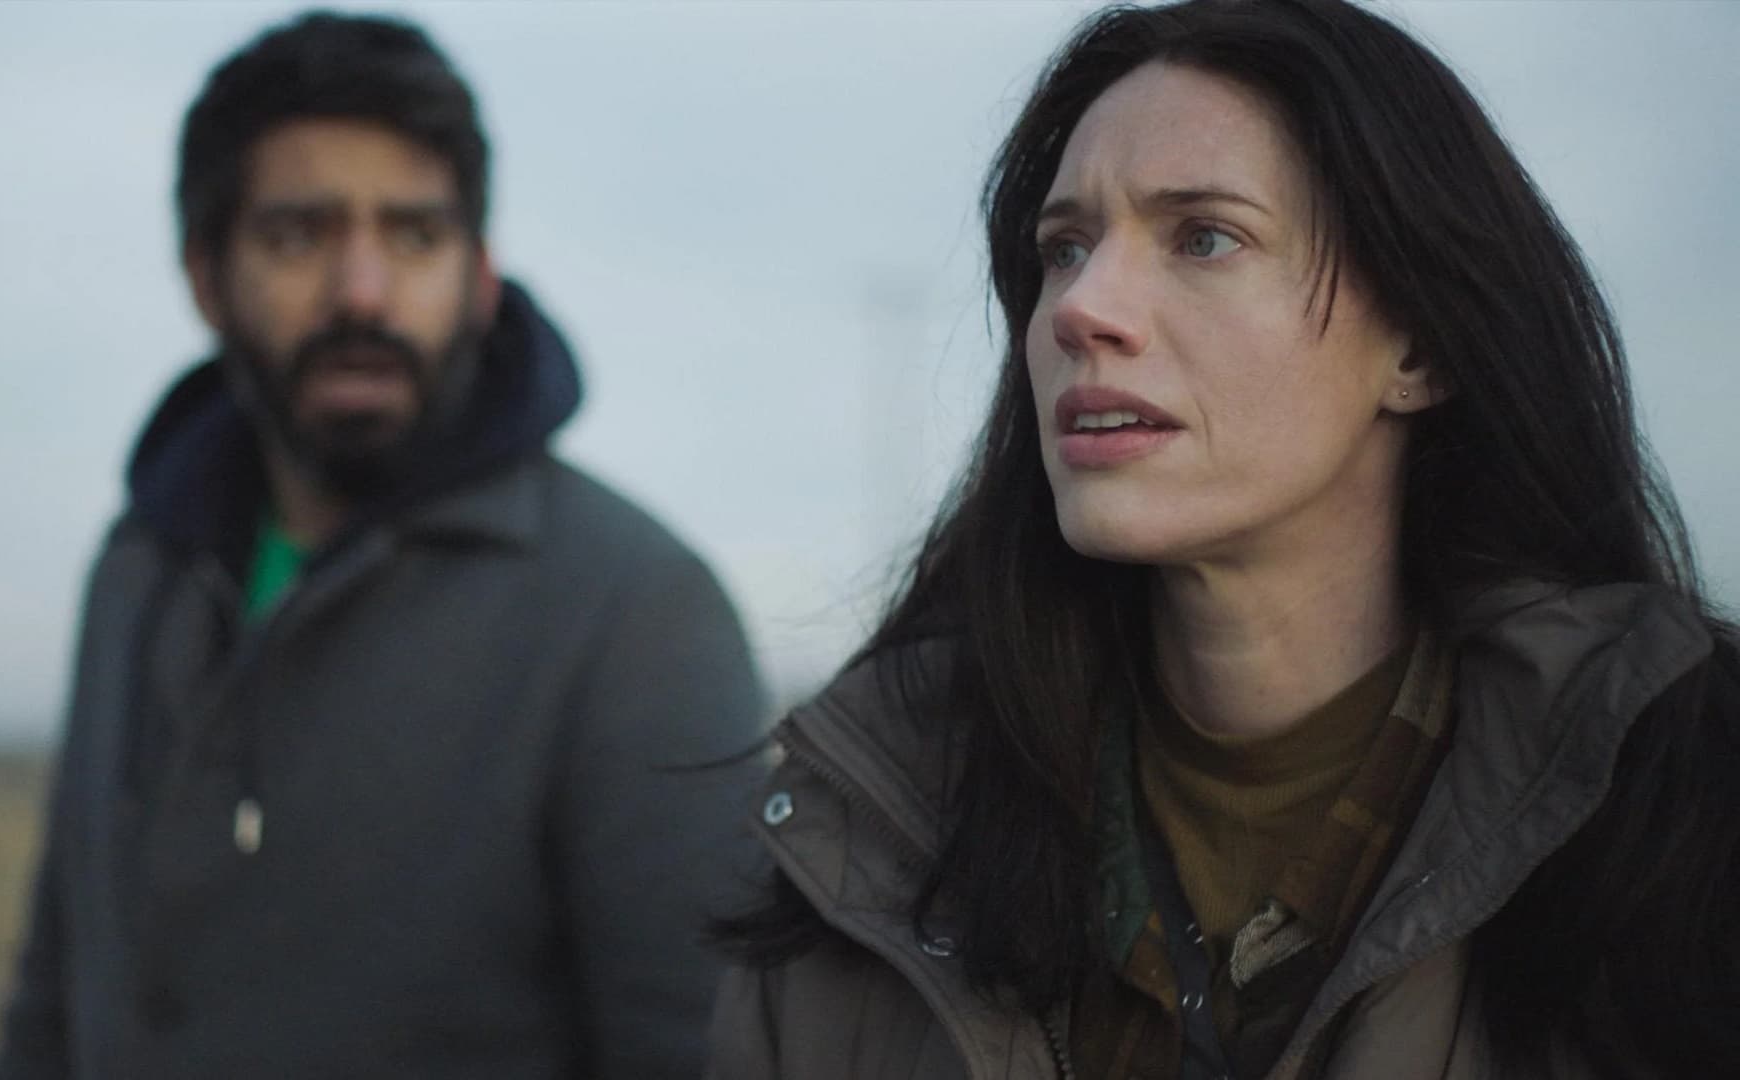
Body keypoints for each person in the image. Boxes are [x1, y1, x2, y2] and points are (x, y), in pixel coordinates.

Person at [707, 0, 1739, 1077]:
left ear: (1420, 345)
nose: (1082, 308)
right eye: (1064, 248)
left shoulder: (1685, 826)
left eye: (1204, 236)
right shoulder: (877, 835)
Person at [0, 11, 766, 1078]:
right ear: (207, 275)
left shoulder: (636, 614)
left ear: (479, 276)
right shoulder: (139, 566)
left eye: (414, 235)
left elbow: (700, 1056)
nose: (361, 291)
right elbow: (54, 998)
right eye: (298, 234)